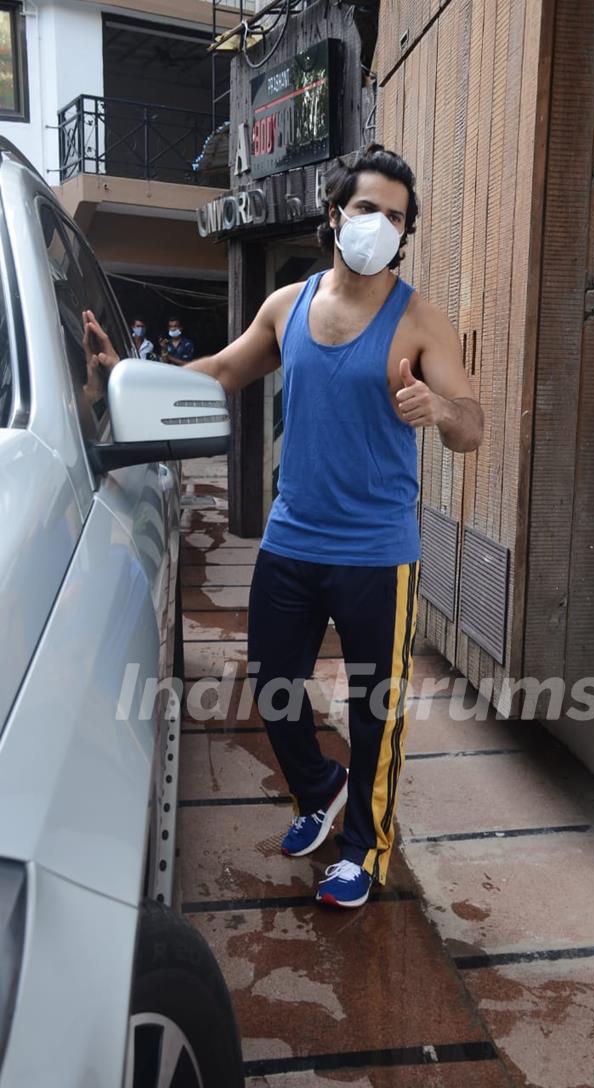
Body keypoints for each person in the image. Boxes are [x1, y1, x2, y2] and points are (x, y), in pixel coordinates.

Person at [83, 144, 483, 909]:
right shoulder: (288, 305)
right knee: (271, 683)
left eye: (395, 217)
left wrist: (438, 411)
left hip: (377, 553)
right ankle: (319, 785)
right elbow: (227, 371)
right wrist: (128, 377)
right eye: (368, 209)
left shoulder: (419, 320)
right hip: (294, 538)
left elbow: (473, 427)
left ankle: (364, 849)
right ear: (336, 216)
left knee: (375, 713)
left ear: (406, 232)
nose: (380, 225)